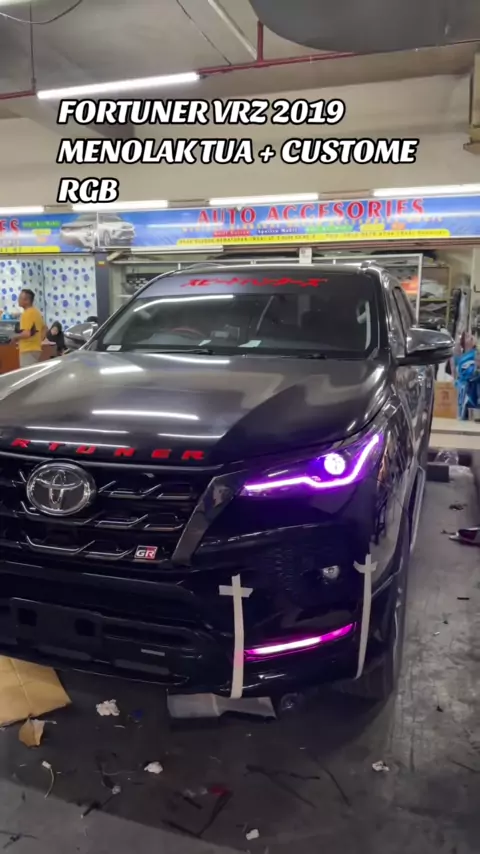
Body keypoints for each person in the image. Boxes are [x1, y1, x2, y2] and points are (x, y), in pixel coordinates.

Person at [13, 289, 46, 368]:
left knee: (27, 373)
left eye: (20, 298)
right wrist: (39, 340)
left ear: (27, 301)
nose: (18, 300)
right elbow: (45, 328)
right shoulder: (36, 312)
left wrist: (14, 337)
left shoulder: (27, 314)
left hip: (27, 349)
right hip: (36, 349)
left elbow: (26, 334)